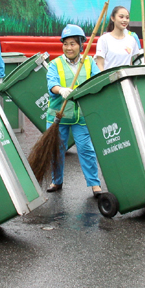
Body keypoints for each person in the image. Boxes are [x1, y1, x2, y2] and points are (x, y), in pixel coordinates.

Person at [46, 24, 102, 195]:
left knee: (86, 149)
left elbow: (97, 81)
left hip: (80, 114)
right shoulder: (55, 64)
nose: (68, 48)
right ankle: (57, 181)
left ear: (80, 45)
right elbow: (51, 84)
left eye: (72, 44)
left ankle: (94, 184)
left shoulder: (89, 62)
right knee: (57, 149)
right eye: (65, 44)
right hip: (59, 114)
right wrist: (60, 89)